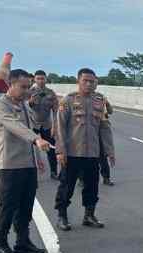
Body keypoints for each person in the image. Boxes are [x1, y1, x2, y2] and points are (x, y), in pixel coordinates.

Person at [0, 69, 51, 253]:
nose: (27, 91)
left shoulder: (25, 105)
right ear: (11, 84)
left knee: (26, 206)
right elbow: (15, 127)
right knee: (8, 206)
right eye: (23, 87)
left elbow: (34, 128)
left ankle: (22, 241)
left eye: (28, 87)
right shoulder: (0, 105)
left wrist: (38, 159)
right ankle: (0, 243)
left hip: (28, 163)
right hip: (10, 164)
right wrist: (36, 140)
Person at [54, 68, 115, 231]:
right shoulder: (68, 100)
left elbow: (104, 127)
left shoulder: (99, 101)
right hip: (72, 153)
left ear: (96, 82)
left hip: (92, 153)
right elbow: (59, 127)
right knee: (67, 186)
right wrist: (60, 151)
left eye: (92, 81)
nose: (89, 84)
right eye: (85, 80)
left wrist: (110, 151)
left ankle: (89, 215)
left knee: (92, 186)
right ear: (78, 81)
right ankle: (62, 216)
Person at [29, 70, 60, 179]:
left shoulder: (51, 93)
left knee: (51, 149)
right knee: (30, 150)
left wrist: (55, 126)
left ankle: (53, 172)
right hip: (33, 125)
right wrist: (30, 102)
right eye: (38, 78)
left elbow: (56, 111)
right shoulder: (29, 92)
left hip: (47, 125)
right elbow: (24, 108)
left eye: (42, 78)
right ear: (34, 79)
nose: (41, 81)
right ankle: (31, 174)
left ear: (46, 79)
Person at [99, 98, 115, 186]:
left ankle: (106, 178)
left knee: (103, 156)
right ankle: (82, 178)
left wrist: (107, 104)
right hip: (88, 131)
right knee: (85, 156)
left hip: (101, 128)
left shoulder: (100, 98)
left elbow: (110, 112)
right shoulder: (83, 99)